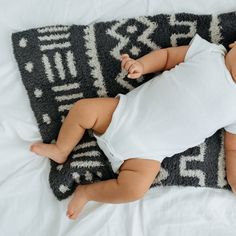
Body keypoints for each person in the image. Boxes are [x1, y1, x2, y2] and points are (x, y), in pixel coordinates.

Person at [30, 34, 236, 220]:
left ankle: (87, 192)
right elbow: (166, 57)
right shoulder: (209, 53)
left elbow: (232, 149)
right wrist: (142, 65)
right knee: (83, 109)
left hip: (146, 155)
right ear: (234, 44)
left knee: (134, 190)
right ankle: (61, 149)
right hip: (122, 115)